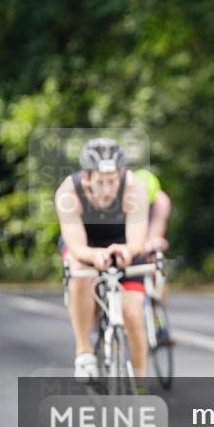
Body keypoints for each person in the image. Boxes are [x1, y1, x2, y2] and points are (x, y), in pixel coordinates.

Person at [55, 138, 148, 383]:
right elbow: (76, 247)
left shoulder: (134, 188)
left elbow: (138, 241)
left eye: (112, 182)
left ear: (120, 175)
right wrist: (94, 256)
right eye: (100, 182)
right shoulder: (69, 192)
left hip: (122, 243)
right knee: (80, 273)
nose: (107, 190)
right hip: (85, 246)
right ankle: (84, 352)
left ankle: (140, 385)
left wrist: (128, 251)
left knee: (133, 314)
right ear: (86, 177)